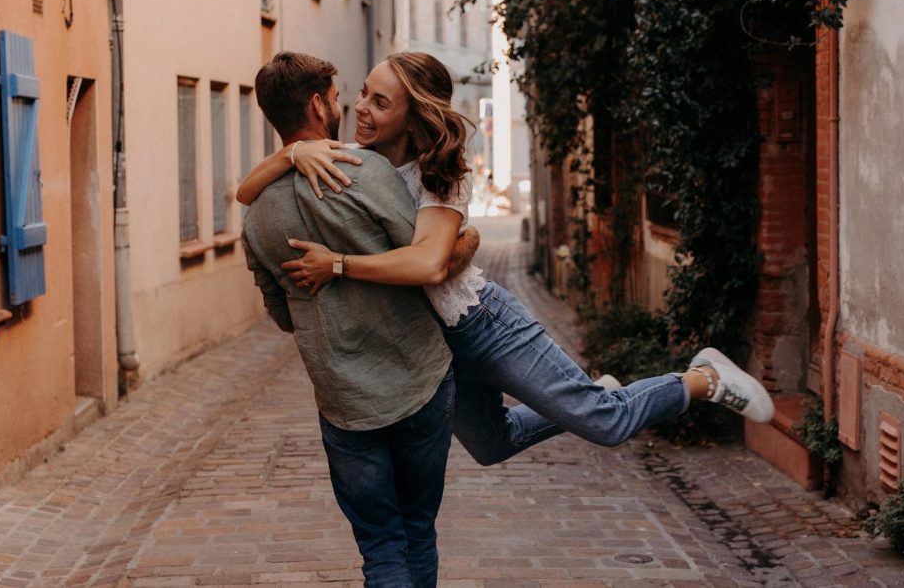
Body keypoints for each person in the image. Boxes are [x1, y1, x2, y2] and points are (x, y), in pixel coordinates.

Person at [238, 51, 774, 469]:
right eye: (362, 94)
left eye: (381, 102)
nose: (360, 108)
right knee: (493, 446)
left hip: (480, 322)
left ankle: (701, 377)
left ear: (413, 114)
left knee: (606, 425)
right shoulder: (357, 165)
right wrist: (291, 151)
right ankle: (588, 395)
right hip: (434, 348)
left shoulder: (440, 170)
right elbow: (245, 194)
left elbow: (429, 266)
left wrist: (338, 264)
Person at [241, 51, 456, 587]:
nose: (347, 106)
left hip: (344, 400)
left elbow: (281, 313)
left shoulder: (257, 214)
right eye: (339, 97)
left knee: (382, 545)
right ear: (317, 104)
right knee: (417, 530)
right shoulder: (366, 171)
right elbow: (425, 253)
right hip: (417, 379)